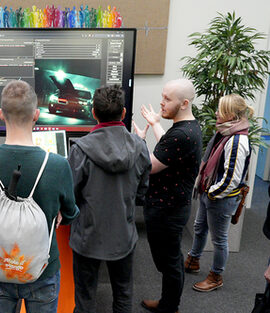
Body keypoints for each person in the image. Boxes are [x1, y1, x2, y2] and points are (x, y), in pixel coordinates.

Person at [0, 80, 80, 313]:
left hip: (0, 265)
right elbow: (70, 214)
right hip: (42, 268)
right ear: (37, 114)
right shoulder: (58, 164)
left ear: (1, 114)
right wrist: (57, 210)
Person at [68, 84, 151, 313]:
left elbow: (70, 196)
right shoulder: (140, 147)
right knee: (123, 293)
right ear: (124, 113)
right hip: (124, 236)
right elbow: (143, 191)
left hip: (87, 237)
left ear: (93, 113)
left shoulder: (79, 150)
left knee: (85, 297)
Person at [133, 79, 202, 313]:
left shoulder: (181, 135)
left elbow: (149, 166)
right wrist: (154, 124)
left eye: (167, 99)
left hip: (166, 210)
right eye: (162, 97)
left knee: (169, 262)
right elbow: (170, 148)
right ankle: (169, 303)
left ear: (183, 103)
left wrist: (139, 141)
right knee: (171, 260)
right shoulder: (188, 127)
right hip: (171, 206)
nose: (161, 103)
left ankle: (169, 307)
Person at [185, 94, 252, 291]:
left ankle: (216, 276)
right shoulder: (224, 133)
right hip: (211, 192)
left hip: (220, 197)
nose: (216, 113)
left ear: (230, 114)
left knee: (220, 239)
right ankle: (193, 260)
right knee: (199, 228)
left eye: (220, 110)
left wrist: (212, 193)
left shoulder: (237, 140)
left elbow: (232, 178)